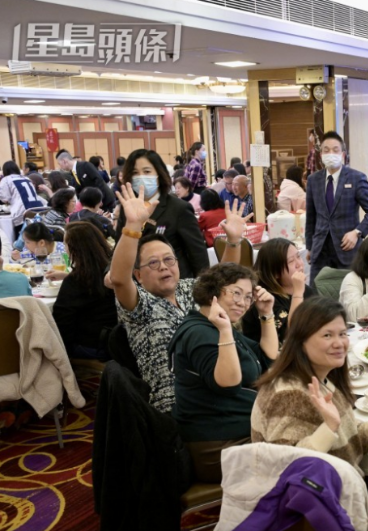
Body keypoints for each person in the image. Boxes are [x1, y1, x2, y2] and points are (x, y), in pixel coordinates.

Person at [250, 297, 368, 531]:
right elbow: (288, 472)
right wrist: (329, 427)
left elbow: (350, 444)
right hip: (320, 512)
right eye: (327, 335)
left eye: (342, 334)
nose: (339, 343)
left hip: (339, 485)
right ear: (300, 341)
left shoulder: (321, 378)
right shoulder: (289, 394)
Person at [109, 182, 250, 413]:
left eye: (169, 259)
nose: (164, 267)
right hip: (178, 406)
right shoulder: (139, 305)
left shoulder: (188, 288)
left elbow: (224, 279)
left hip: (218, 385)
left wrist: (233, 240)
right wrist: (133, 226)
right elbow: (119, 279)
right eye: (153, 263)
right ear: (139, 276)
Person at [169, 262, 278, 483]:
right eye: (236, 293)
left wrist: (266, 313)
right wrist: (226, 331)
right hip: (219, 448)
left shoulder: (212, 326)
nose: (243, 302)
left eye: (248, 297)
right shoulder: (200, 332)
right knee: (307, 442)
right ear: (214, 290)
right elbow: (228, 384)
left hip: (236, 433)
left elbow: (267, 357)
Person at [114, 149, 209, 279]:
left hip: (173, 281)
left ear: (159, 174)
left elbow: (198, 254)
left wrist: (203, 286)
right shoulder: (127, 209)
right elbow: (119, 247)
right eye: (135, 173)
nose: (141, 177)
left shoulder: (179, 208)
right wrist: (110, 272)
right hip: (137, 282)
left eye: (147, 172)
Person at [305, 131, 368, 282]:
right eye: (326, 150)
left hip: (347, 249)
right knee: (316, 292)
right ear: (321, 155)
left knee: (348, 291)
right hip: (320, 251)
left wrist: (357, 232)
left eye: (335, 150)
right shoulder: (313, 180)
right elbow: (311, 217)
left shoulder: (356, 178)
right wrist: (309, 246)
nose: (330, 154)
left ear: (343, 155)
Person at [52, 222, 117, 360]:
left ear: (74, 248)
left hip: (92, 347)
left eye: (65, 244)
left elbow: (61, 323)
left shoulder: (76, 281)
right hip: (118, 343)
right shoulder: (113, 271)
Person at [243, 238, 314, 345]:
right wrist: (298, 294)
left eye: (298, 256)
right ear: (275, 272)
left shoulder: (306, 290)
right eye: (291, 261)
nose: (299, 264)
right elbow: (291, 334)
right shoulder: (264, 298)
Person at [0, 161, 45, 234]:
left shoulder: (6, 180)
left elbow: (4, 199)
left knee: (19, 237)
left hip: (23, 213)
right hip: (39, 210)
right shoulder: (26, 178)